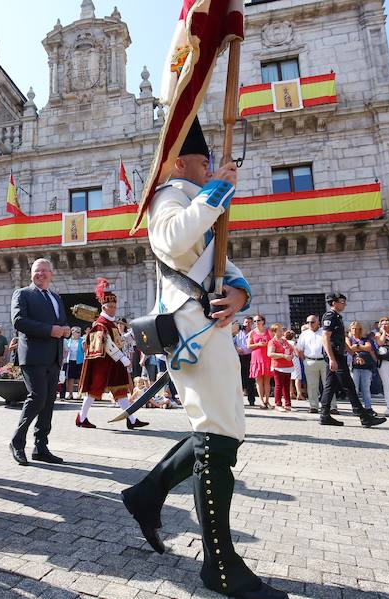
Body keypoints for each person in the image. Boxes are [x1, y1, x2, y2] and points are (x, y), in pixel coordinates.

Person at [121, 117, 285, 599]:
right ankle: (220, 564)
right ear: (179, 163)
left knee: (223, 428)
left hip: (211, 324)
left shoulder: (198, 202)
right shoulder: (169, 197)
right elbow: (172, 241)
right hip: (190, 327)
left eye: (212, 162)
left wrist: (240, 295)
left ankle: (146, 495)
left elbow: (221, 266)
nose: (212, 164)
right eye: (205, 160)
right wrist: (217, 190)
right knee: (216, 432)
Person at [9, 258, 70, 466]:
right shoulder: (23, 294)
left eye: (44, 271)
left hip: (54, 357)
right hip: (33, 356)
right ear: (31, 274)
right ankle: (17, 442)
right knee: (37, 398)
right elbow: (19, 321)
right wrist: (50, 330)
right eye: (37, 271)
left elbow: (61, 321)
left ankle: (41, 447)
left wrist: (65, 329)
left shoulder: (55, 297)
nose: (40, 274)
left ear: (51, 274)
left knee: (48, 403)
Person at [76, 279, 145, 430]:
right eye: (110, 307)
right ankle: (81, 418)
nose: (113, 309)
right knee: (94, 391)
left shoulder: (111, 323)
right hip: (103, 363)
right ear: (103, 307)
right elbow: (106, 343)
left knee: (120, 391)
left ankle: (131, 420)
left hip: (114, 363)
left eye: (114, 306)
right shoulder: (100, 323)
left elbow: (117, 340)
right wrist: (123, 358)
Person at [318, 293, 386, 427]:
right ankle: (363, 416)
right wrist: (332, 358)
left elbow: (342, 340)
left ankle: (324, 415)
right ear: (334, 302)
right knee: (349, 385)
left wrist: (353, 354)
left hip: (338, 354)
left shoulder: (337, 317)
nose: (344, 304)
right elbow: (325, 337)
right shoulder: (330, 316)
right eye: (342, 301)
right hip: (335, 354)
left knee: (330, 385)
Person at [296, 315, 331, 414]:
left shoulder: (324, 332)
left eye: (312, 322)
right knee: (312, 386)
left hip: (324, 361)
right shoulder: (304, 334)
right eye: (308, 322)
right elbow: (299, 348)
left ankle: (331, 407)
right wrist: (304, 360)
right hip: (310, 361)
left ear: (318, 322)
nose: (310, 324)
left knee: (328, 385)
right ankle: (314, 406)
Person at [346, 321, 376, 414]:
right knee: (355, 388)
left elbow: (368, 348)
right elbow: (350, 348)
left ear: (360, 329)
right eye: (353, 328)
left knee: (366, 388)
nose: (355, 330)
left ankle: (368, 408)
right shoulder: (348, 339)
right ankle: (356, 408)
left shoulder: (365, 339)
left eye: (356, 328)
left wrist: (358, 346)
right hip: (354, 366)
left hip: (366, 366)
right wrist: (360, 348)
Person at [266, 324, 294, 411]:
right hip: (278, 366)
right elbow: (270, 354)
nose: (282, 332)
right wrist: (283, 356)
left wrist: (291, 355)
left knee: (286, 385)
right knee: (279, 385)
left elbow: (290, 349)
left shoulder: (284, 341)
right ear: (274, 332)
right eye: (280, 330)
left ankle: (288, 404)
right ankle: (278, 404)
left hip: (287, 366)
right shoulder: (272, 342)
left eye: (282, 330)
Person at [247, 315, 272, 409]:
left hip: (266, 357)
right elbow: (248, 346)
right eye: (254, 321)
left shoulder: (268, 331)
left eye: (258, 320)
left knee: (267, 380)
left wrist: (267, 344)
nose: (256, 322)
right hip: (256, 357)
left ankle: (267, 401)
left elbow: (273, 342)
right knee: (258, 380)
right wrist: (258, 344)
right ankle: (261, 401)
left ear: (263, 321)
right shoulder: (252, 333)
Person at [233, 318, 256, 406]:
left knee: (251, 379)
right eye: (246, 322)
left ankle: (251, 400)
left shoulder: (254, 333)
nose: (247, 324)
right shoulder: (238, 333)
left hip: (251, 357)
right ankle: (238, 400)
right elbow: (231, 342)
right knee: (240, 378)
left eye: (250, 322)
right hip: (240, 357)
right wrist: (237, 348)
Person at [62, 327, 84, 399]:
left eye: (80, 332)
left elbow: (84, 350)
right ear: (72, 332)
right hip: (70, 361)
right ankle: (70, 394)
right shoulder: (68, 341)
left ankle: (79, 394)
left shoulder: (82, 340)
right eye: (77, 332)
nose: (79, 333)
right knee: (70, 378)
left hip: (79, 361)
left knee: (79, 379)